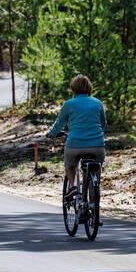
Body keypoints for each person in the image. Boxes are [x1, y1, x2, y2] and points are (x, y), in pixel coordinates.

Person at [46, 74, 106, 203]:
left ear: (73, 89)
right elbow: (103, 124)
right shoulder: (98, 103)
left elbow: (59, 124)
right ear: (90, 88)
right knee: (96, 167)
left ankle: (72, 186)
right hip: (97, 145)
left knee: (70, 165)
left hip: (75, 145)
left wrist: (51, 134)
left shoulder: (69, 104)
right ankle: (93, 197)